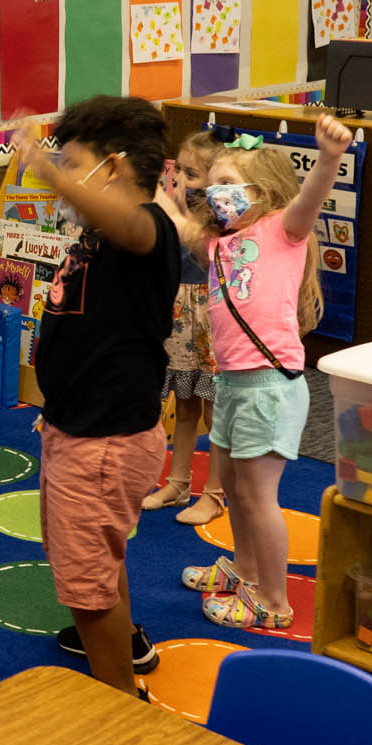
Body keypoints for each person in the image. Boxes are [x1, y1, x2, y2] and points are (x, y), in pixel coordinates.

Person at [15, 97, 179, 697]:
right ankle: (126, 643)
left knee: (86, 587)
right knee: (99, 558)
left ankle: (118, 704)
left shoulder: (147, 228)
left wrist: (45, 167)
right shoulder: (100, 235)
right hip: (81, 427)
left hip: (103, 442)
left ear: (110, 168)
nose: (64, 174)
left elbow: (133, 225)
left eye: (74, 162)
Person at [163, 117, 352, 630]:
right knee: (238, 492)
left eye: (227, 186)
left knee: (258, 497)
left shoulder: (282, 231)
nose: (216, 195)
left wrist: (330, 158)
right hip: (232, 384)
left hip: (268, 388)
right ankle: (244, 569)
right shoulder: (219, 243)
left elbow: (309, 198)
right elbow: (178, 223)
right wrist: (169, 191)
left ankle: (273, 600)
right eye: (213, 186)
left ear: (262, 193)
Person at [143, 130, 226, 525]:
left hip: (209, 313)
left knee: (216, 409)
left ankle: (216, 492)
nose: (181, 182)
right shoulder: (175, 205)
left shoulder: (219, 217)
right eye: (178, 171)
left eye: (191, 174)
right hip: (178, 312)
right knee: (184, 400)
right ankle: (178, 483)